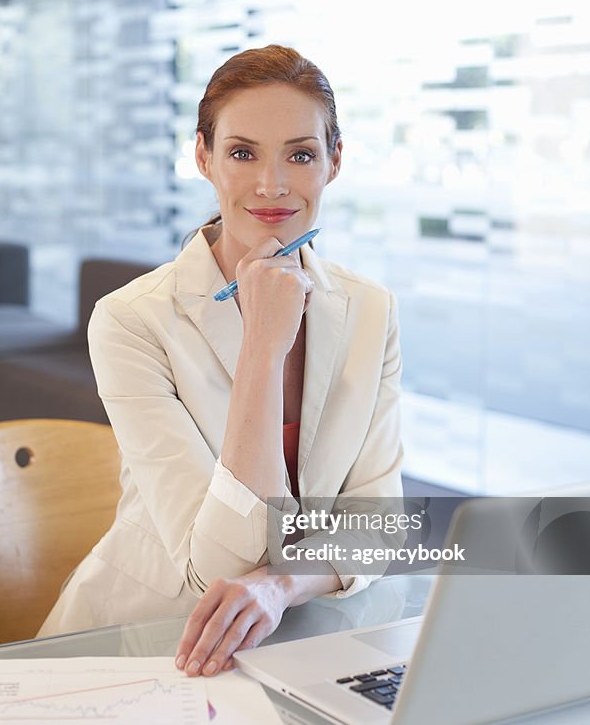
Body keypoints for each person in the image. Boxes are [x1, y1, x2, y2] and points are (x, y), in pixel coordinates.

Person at [38, 45, 404, 677]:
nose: (272, 184)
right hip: (148, 645)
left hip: (301, 638)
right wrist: (264, 347)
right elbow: (220, 567)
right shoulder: (131, 320)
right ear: (203, 157)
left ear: (333, 162)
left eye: (301, 154)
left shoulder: (370, 309)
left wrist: (283, 584)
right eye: (242, 153)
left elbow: (378, 525)